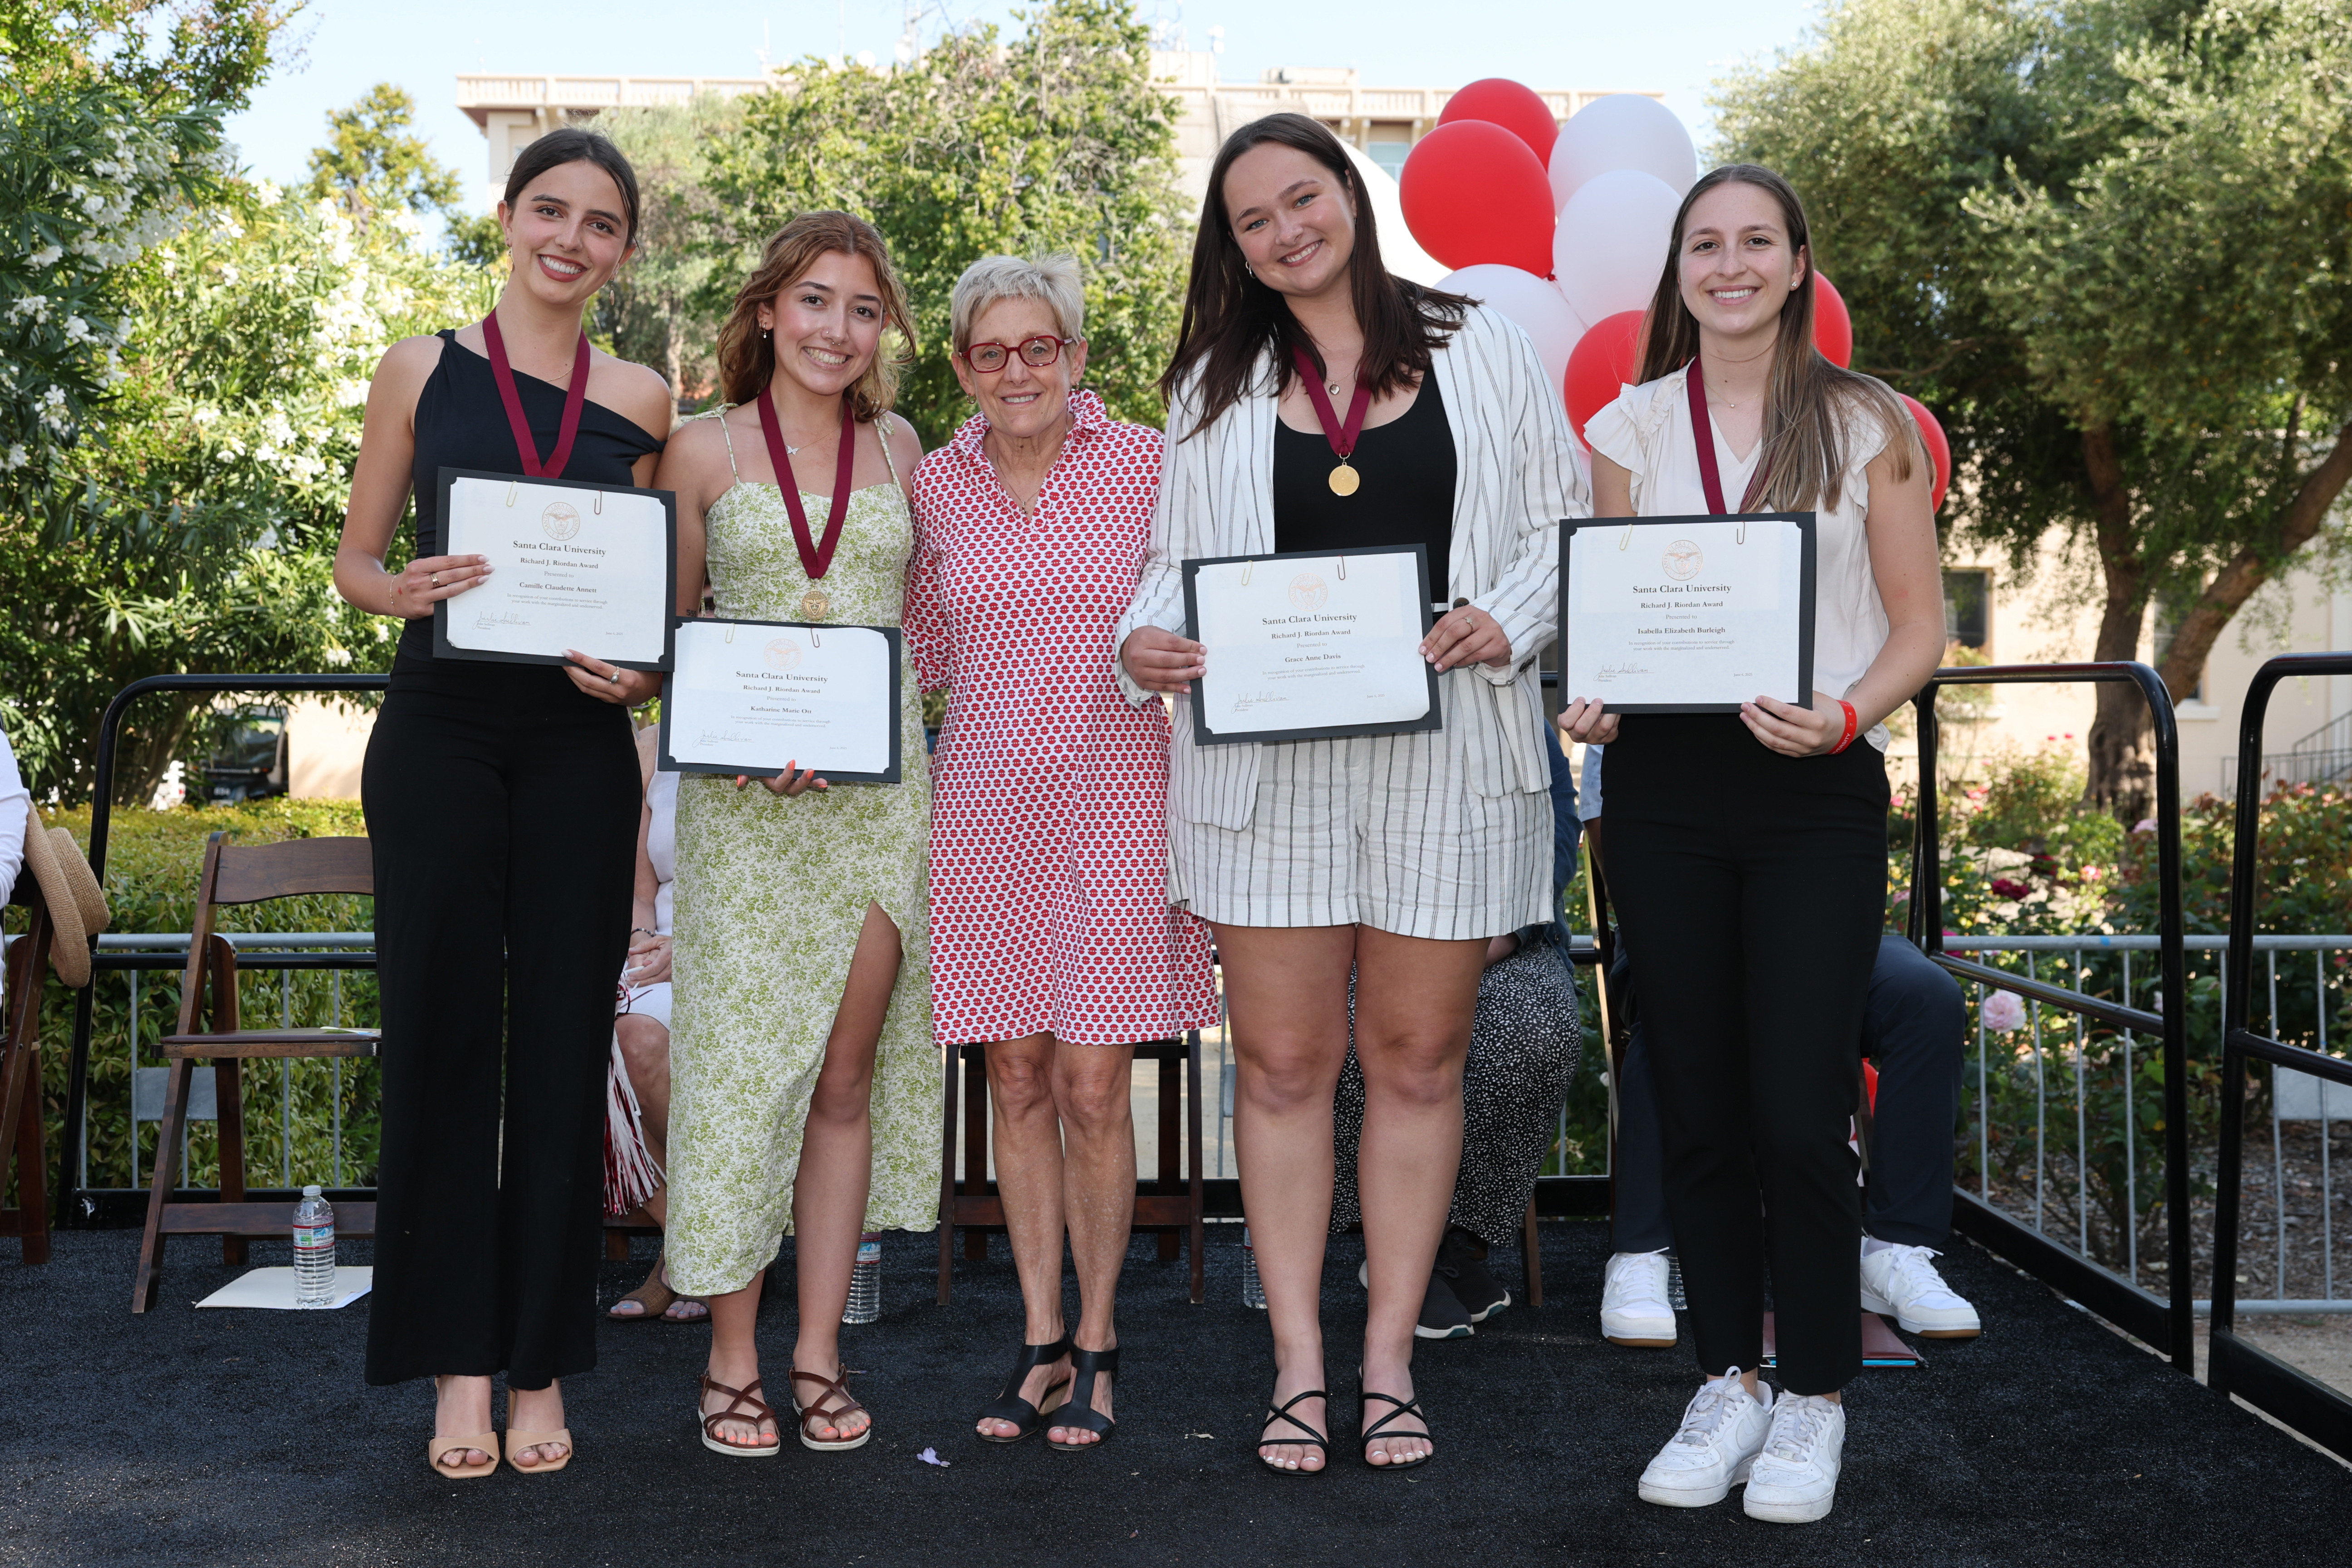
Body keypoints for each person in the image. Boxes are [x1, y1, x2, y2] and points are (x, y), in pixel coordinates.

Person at [1117, 113, 1582, 1474]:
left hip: (1450, 748)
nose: (1283, 230)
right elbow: (1171, 561)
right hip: (1268, 766)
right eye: (1253, 219)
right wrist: (1145, 639)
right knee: (1279, 1066)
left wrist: (1511, 610)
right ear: (1238, 249)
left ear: (1352, 199)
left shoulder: (1481, 341)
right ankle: (1298, 1368)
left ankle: (1387, 1364)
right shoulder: (1210, 384)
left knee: (1419, 1061)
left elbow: (1558, 525)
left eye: (1302, 198)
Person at [1557, 164, 1945, 1524]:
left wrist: (1846, 713)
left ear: (1796, 267)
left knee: (1796, 1105)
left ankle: (1817, 1396)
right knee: (1703, 1101)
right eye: (1704, 245)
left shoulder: (1867, 423)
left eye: (1755, 243)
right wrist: (1590, 694)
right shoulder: (1630, 425)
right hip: (1662, 784)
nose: (1729, 265)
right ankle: (1726, 1377)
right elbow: (1608, 615)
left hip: (1815, 779)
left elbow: (1921, 627)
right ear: (1679, 272)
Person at [333, 128, 675, 1478]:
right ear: (508, 216)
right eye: (551, 211)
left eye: (600, 223)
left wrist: (640, 671)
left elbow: (655, 597)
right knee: (440, 1047)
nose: (571, 239)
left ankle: (541, 1368)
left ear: (624, 251)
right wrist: (397, 589)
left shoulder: (646, 395)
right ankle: (457, 1375)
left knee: (556, 1060)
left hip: (578, 744)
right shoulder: (422, 366)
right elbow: (360, 557)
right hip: (440, 732)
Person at [906, 253, 1218, 1451]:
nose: (1018, 369)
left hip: (1124, 798)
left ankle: (1101, 1339)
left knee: (1094, 1083)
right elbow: (920, 656)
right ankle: (1037, 1343)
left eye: (1041, 346)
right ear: (963, 368)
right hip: (983, 809)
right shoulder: (933, 486)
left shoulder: (1151, 462)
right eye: (992, 351)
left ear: (1078, 357)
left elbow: (1199, 601)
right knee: (1018, 1080)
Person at [655, 211, 938, 1459]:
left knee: (841, 1079)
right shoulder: (699, 450)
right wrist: (730, 739)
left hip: (876, 809)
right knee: (735, 1078)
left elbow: (921, 619)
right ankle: (730, 1360)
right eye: (816, 301)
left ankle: (818, 1354)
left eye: (863, 309)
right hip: (745, 812)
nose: (838, 328)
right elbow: (667, 642)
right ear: (769, 310)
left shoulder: (903, 447)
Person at [1332, 733, 1583, 1338]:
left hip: (1503, 934)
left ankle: (1458, 1243)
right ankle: (1389, 1237)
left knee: (1534, 1030)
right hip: (1366, 937)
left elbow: (1555, 842)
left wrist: (1494, 940)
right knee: (1346, 1026)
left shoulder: (1510, 708)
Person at [605, 725, 708, 1323]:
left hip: (739, 949)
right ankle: (695, 1247)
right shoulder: (647, 748)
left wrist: (688, 946)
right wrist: (646, 943)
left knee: (643, 1042)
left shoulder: (766, 729)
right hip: (656, 946)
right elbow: (642, 893)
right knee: (601, 1047)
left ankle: (698, 1252)